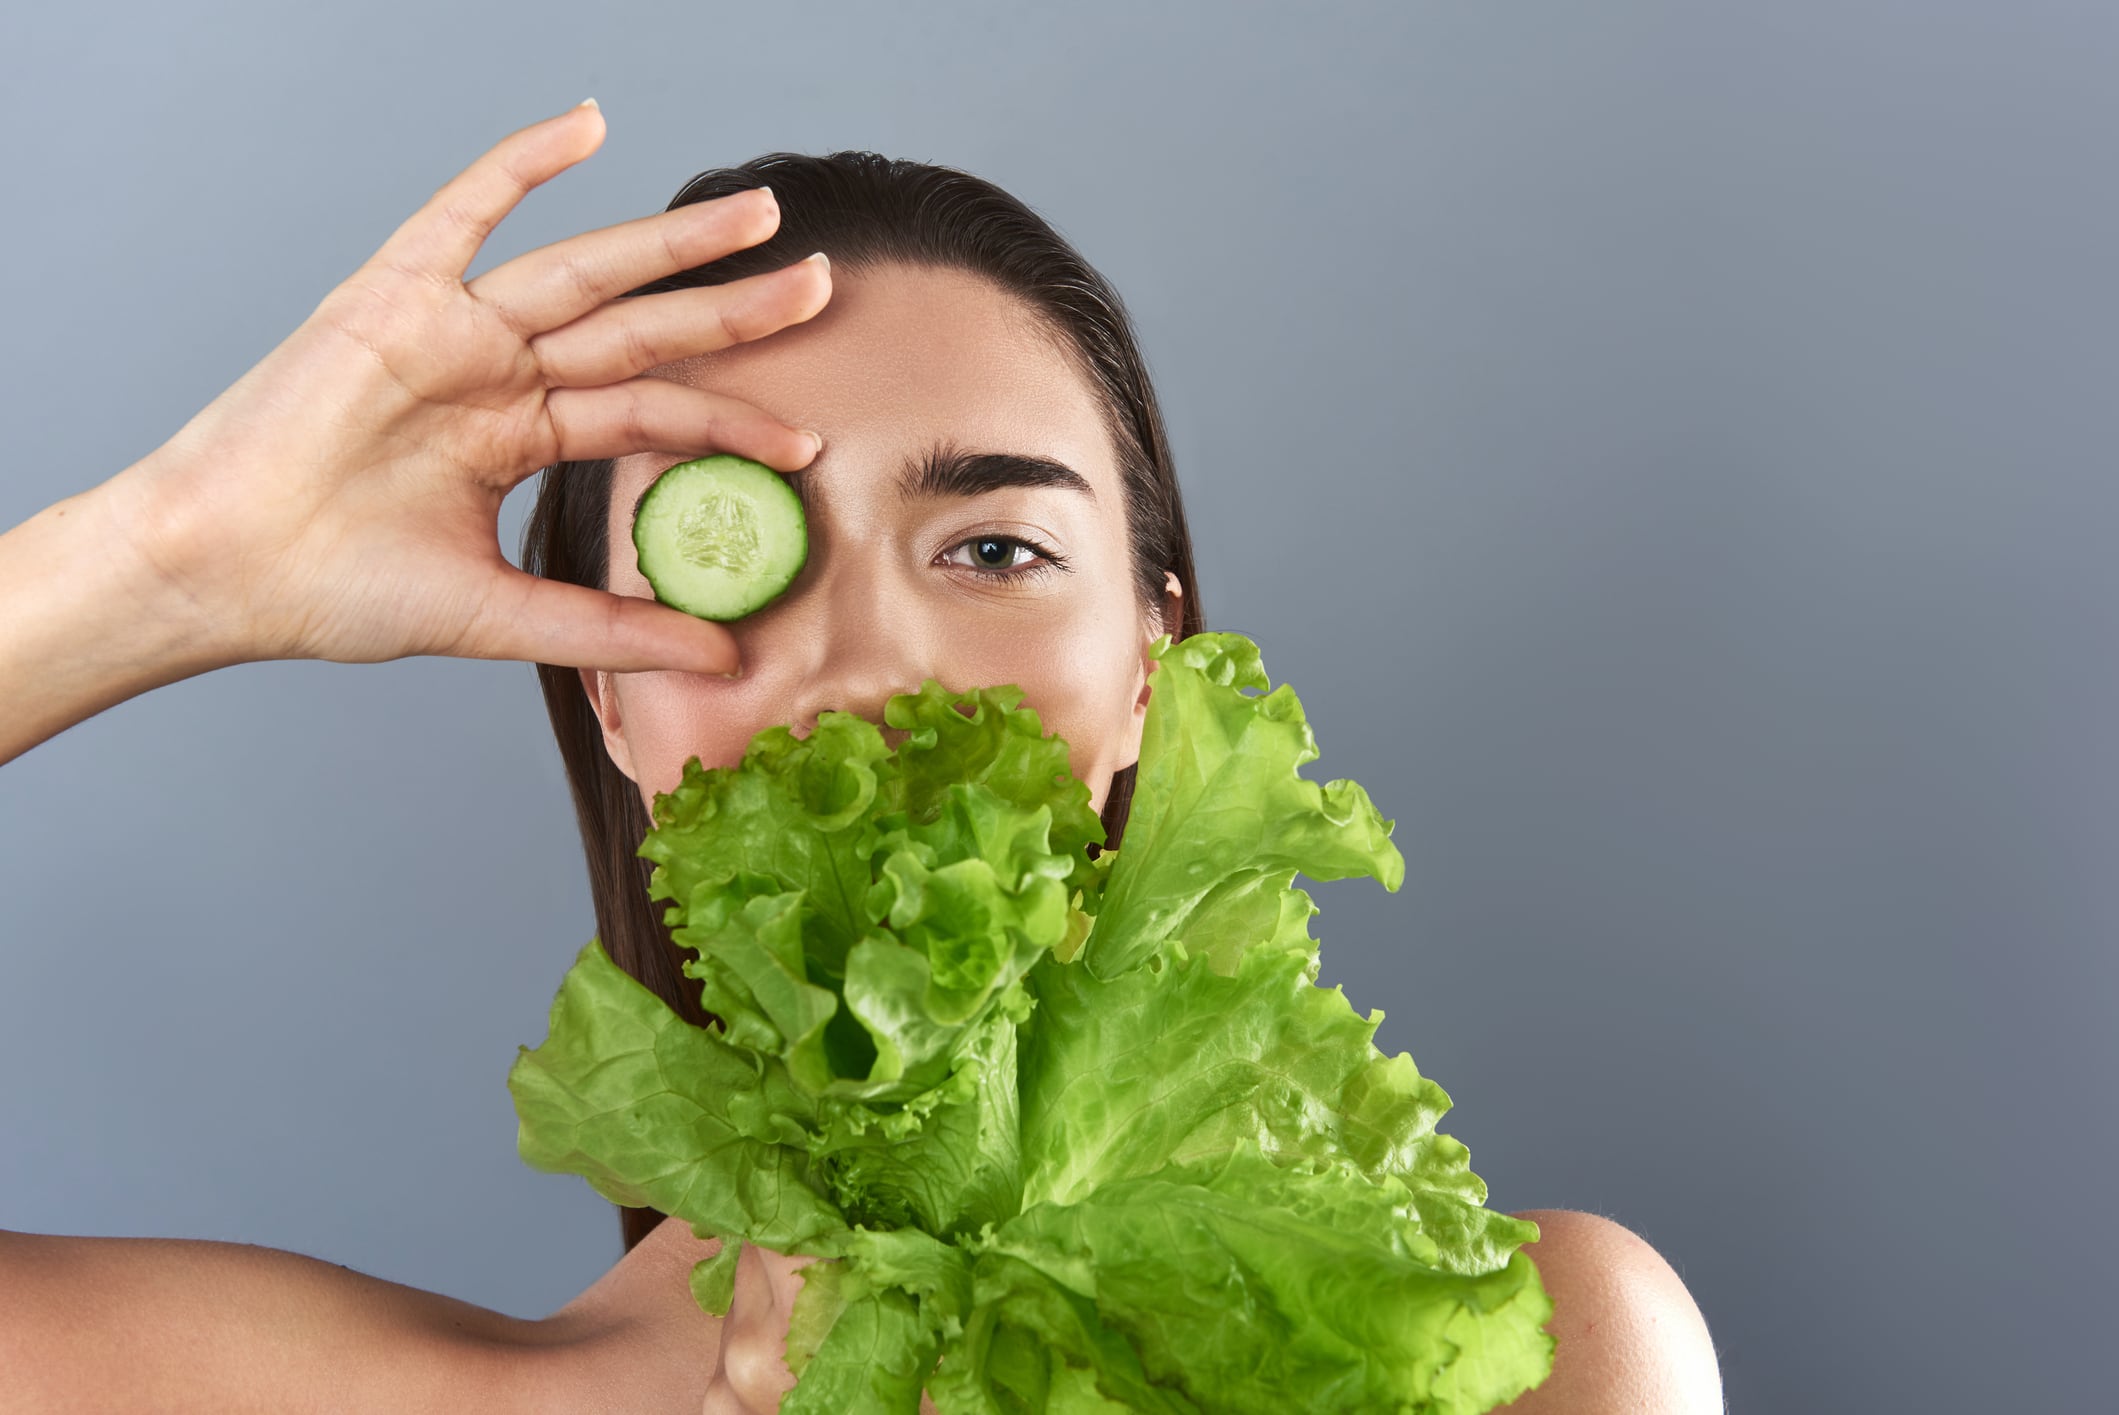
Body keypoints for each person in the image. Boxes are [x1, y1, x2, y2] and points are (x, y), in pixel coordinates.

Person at [0, 100, 1723, 1413]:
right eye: (733, 550)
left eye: (991, 549)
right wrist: (165, 561)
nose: (875, 661)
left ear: (1157, 666)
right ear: (612, 700)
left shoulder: (1534, 1343)